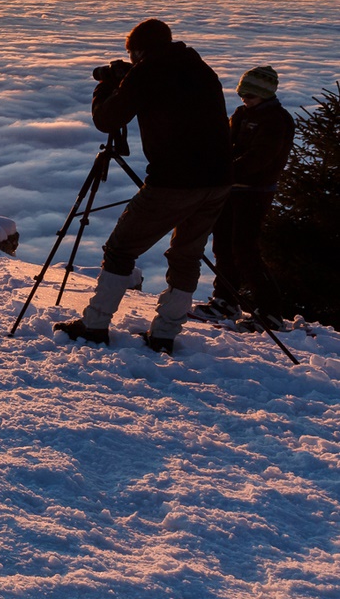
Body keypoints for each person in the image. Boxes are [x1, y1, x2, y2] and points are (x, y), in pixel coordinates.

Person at [55, 18, 232, 354]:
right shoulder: (199, 67)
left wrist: (106, 87)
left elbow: (106, 119)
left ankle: (95, 325)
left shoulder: (149, 72)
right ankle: (164, 334)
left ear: (138, 50)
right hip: (219, 180)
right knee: (187, 255)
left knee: (121, 249)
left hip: (175, 181)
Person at [191, 65, 295, 330]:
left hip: (255, 192)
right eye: (242, 94)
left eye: (250, 95)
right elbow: (227, 146)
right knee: (223, 245)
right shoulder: (241, 114)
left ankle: (270, 311)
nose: (245, 99)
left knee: (244, 248)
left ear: (266, 94)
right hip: (231, 188)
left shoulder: (276, 119)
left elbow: (260, 158)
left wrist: (224, 171)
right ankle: (225, 300)